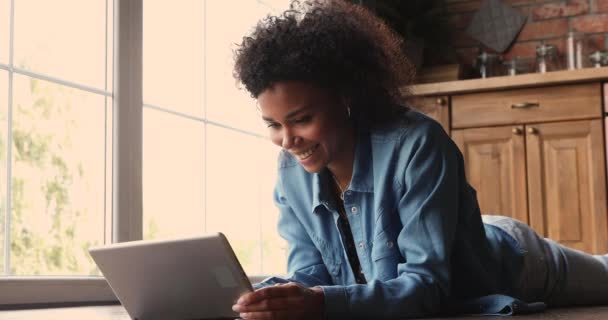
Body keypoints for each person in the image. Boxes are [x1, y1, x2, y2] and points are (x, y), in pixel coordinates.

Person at [230, 1, 608, 319]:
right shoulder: (290, 170)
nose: (287, 140)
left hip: (513, 260)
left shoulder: (415, 143)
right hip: (453, 230)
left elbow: (427, 286)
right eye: (273, 125)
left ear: (346, 97)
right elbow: (311, 275)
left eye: (301, 119)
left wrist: (321, 302)